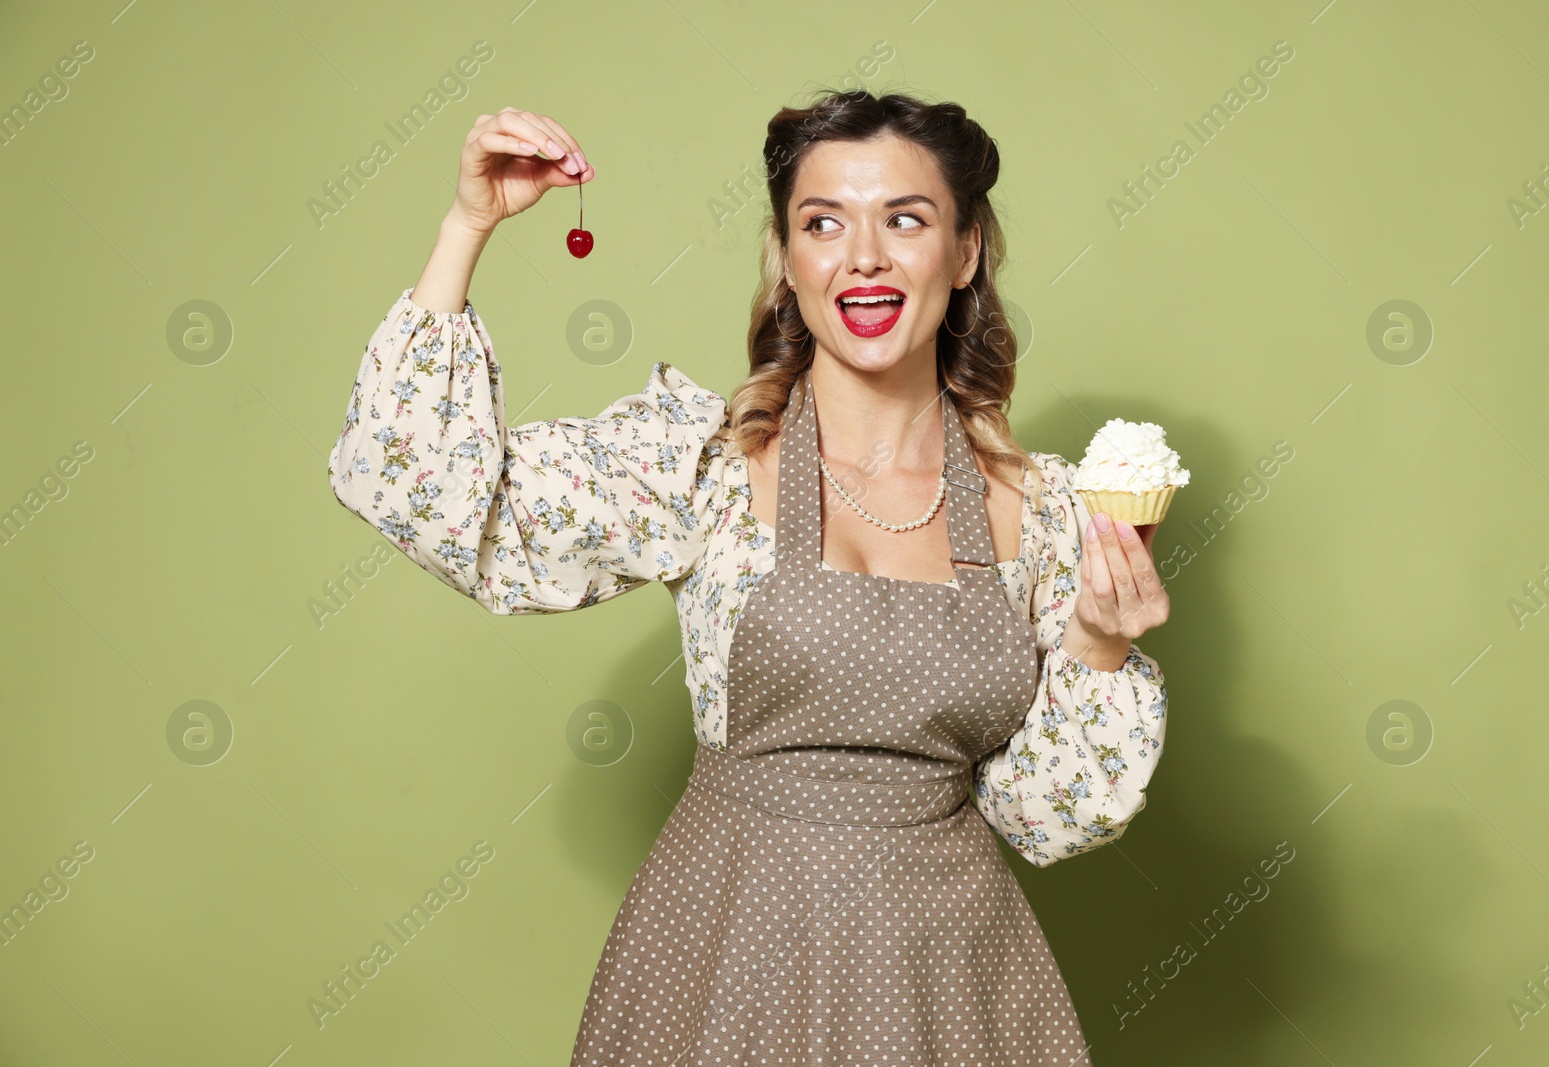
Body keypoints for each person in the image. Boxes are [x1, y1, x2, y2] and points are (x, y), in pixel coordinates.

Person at [328, 89, 1172, 1066]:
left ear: (966, 248)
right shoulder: (707, 467)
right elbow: (412, 486)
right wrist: (466, 225)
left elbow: (1045, 815)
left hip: (948, 980)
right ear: (788, 257)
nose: (862, 255)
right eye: (823, 222)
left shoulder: (1052, 513)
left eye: (905, 218)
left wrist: (1099, 646)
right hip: (725, 954)